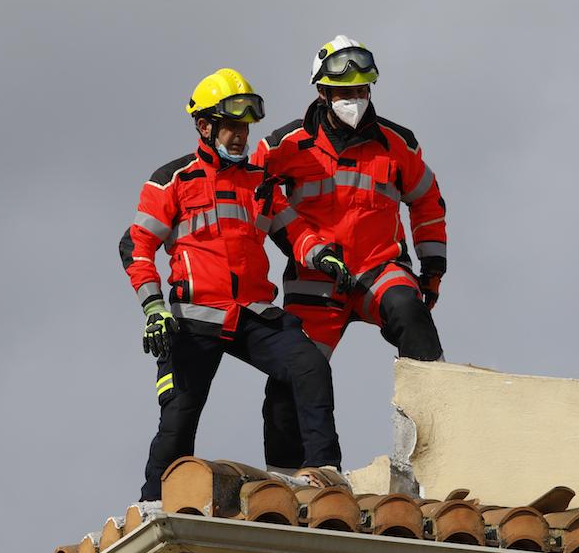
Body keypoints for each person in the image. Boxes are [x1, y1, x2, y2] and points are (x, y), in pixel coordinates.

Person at [119, 68, 349, 501]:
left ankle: (320, 471)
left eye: (245, 127)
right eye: (231, 126)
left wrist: (321, 252)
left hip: (252, 312)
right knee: (179, 419)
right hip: (193, 317)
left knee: (308, 364)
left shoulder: (260, 182)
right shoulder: (173, 180)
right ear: (205, 126)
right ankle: (153, 507)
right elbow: (135, 247)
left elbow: (294, 231)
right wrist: (153, 308)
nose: (241, 136)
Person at [253, 35, 448, 473]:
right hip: (316, 278)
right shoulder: (284, 145)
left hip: (380, 267)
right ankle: (286, 481)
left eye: (361, 91)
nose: (353, 100)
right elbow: (256, 197)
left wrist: (432, 266)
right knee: (292, 375)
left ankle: (434, 450)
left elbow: (427, 201)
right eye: (344, 93)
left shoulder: (399, 143)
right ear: (322, 92)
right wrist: (306, 246)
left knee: (411, 314)